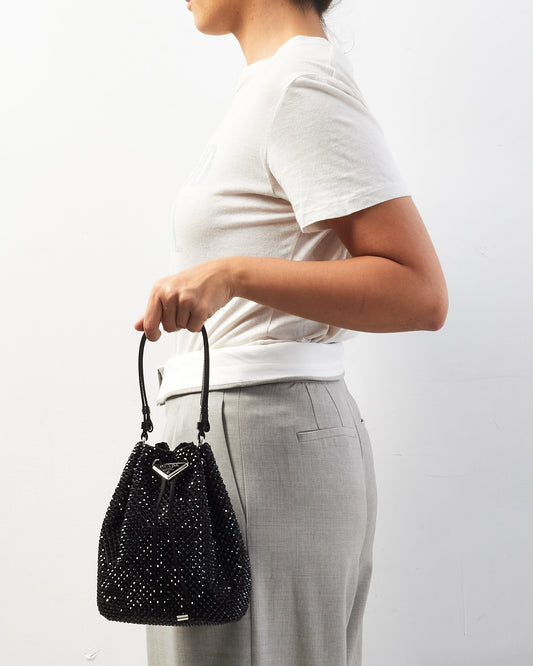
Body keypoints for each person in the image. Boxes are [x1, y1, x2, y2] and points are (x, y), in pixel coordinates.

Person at [135, 0, 448, 663]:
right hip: (237, 432)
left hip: (260, 432)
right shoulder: (271, 87)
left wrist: (233, 273)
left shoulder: (300, 86)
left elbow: (418, 291)